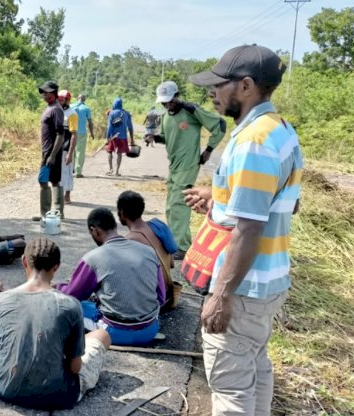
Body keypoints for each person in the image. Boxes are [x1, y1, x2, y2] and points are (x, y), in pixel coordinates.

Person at [185, 44, 302, 415]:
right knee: (255, 368)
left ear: (246, 86)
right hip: (270, 280)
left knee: (230, 388)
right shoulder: (280, 130)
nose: (212, 93)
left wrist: (220, 296)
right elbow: (286, 203)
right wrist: (218, 201)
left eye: (220, 85)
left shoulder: (253, 142)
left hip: (243, 289)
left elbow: (250, 227)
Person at [0, 237, 110, 410]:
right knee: (101, 335)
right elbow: (75, 368)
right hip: (60, 395)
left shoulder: (0, 300)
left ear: (23, 261)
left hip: (7, 389)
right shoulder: (71, 305)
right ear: (57, 266)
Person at [58, 208, 165, 346]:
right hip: (150, 330)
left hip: (113, 332)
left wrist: (58, 286)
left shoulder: (93, 258)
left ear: (95, 230)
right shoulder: (149, 252)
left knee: (70, 309)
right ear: (115, 226)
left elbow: (72, 296)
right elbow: (161, 298)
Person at [155, 80, 226, 260]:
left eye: (169, 101)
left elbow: (220, 125)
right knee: (171, 206)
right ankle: (174, 242)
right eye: (163, 102)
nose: (167, 105)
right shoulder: (165, 117)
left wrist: (209, 150)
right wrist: (154, 137)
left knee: (179, 204)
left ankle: (182, 246)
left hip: (188, 164)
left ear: (177, 96)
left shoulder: (191, 111)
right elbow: (166, 137)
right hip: (174, 166)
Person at [116, 190, 177, 312]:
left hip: (155, 302)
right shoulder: (157, 226)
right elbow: (171, 263)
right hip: (170, 294)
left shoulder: (129, 241)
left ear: (121, 213)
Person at [32, 81, 65, 221]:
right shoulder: (50, 107)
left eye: (46, 92)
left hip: (52, 153)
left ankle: (50, 213)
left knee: (45, 180)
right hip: (47, 151)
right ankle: (54, 213)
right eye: (43, 92)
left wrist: (52, 155)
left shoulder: (56, 109)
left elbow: (61, 134)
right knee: (53, 180)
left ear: (52, 93)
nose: (43, 95)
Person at [105, 97, 135, 176]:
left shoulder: (112, 113)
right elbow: (130, 127)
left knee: (109, 151)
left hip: (113, 137)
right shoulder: (126, 113)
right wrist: (132, 138)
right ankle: (117, 171)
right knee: (119, 153)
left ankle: (110, 169)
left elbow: (109, 127)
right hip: (123, 137)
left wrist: (107, 137)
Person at [58, 90, 79, 204]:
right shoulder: (57, 112)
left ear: (67, 100)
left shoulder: (72, 114)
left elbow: (74, 135)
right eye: (58, 99)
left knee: (67, 172)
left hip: (66, 147)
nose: (59, 101)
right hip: (56, 147)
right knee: (58, 173)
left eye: (61, 100)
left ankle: (67, 196)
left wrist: (70, 153)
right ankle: (58, 195)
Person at [71, 94, 95, 178]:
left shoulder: (71, 106)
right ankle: (78, 172)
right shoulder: (86, 108)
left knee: (71, 150)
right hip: (81, 132)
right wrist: (92, 133)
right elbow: (90, 123)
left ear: (77, 98)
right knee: (80, 152)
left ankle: (70, 170)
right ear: (84, 100)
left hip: (71, 131)